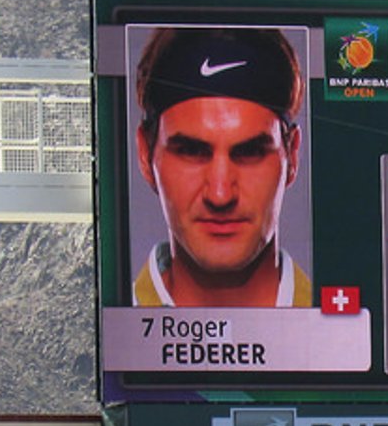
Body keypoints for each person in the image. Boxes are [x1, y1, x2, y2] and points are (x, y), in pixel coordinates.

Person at [132, 25, 311, 308]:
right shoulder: (107, 327)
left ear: (292, 155)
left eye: (250, 151)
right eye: (191, 151)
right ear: (145, 154)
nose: (220, 194)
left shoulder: (351, 331)